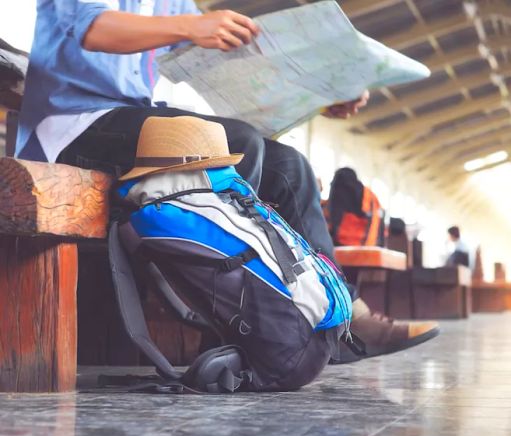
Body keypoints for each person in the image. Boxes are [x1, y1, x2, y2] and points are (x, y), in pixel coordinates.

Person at [16, 0, 439, 363]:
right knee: (236, 143)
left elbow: (210, 62)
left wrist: (320, 93)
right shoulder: (178, 14)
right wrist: (192, 25)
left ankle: (343, 321)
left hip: (132, 118)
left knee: (290, 168)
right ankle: (239, 325)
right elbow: (92, 29)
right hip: (72, 124)